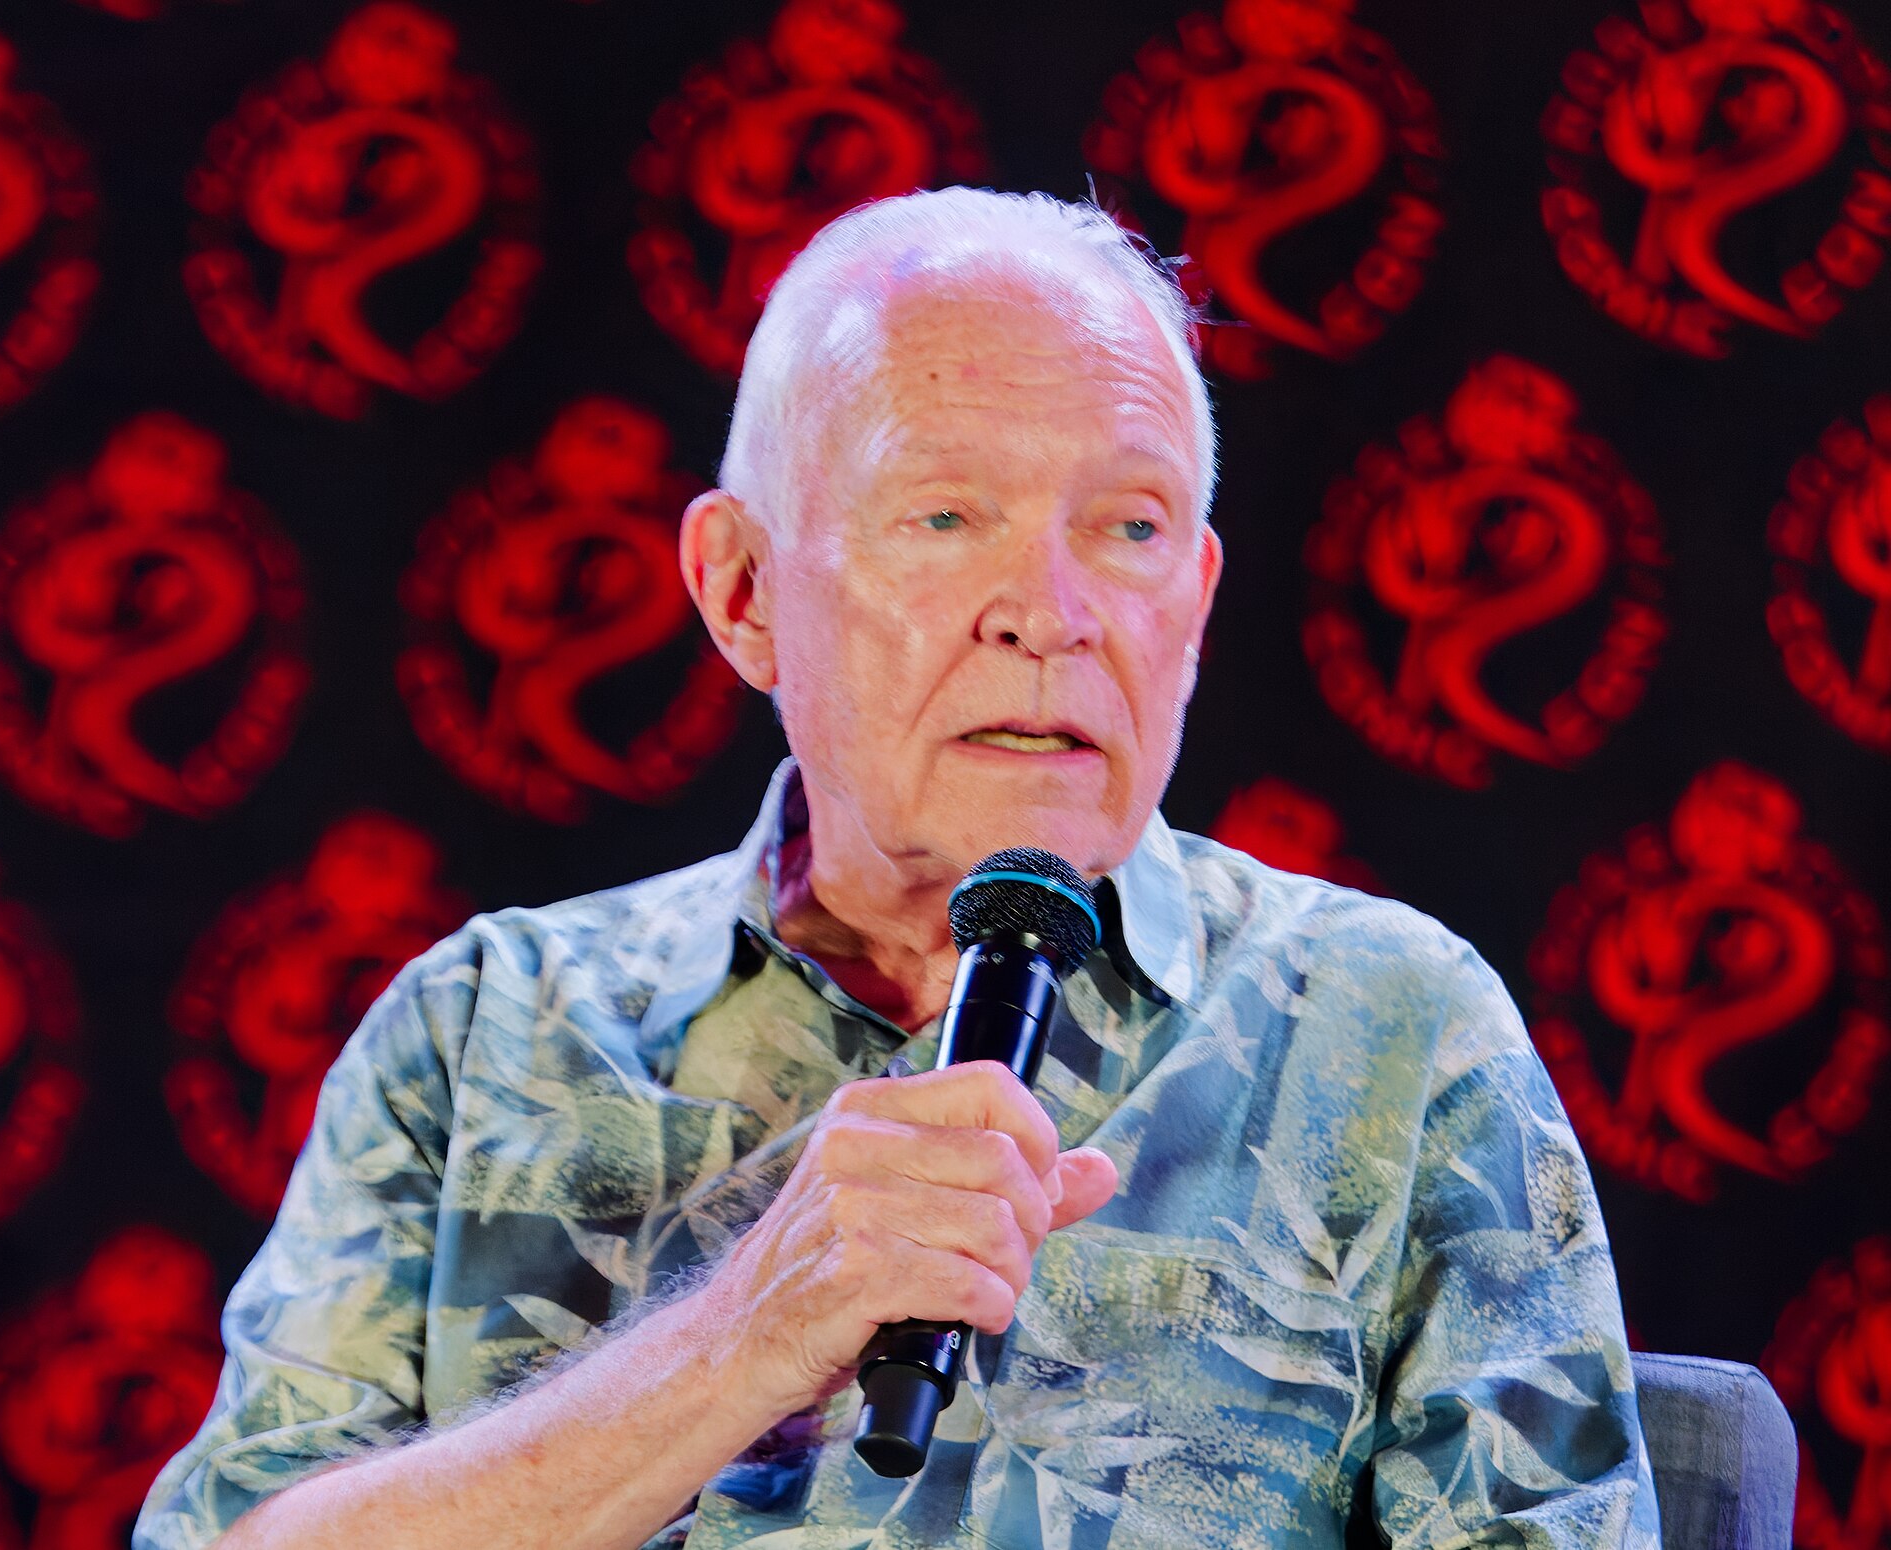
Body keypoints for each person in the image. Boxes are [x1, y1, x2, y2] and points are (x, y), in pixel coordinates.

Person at [134, 188, 1661, 1550]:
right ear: (742, 591)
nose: (1050, 611)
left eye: (1128, 527)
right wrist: (744, 1329)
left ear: (1194, 603)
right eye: (945, 514)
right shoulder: (479, 1029)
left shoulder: (1392, 1029)